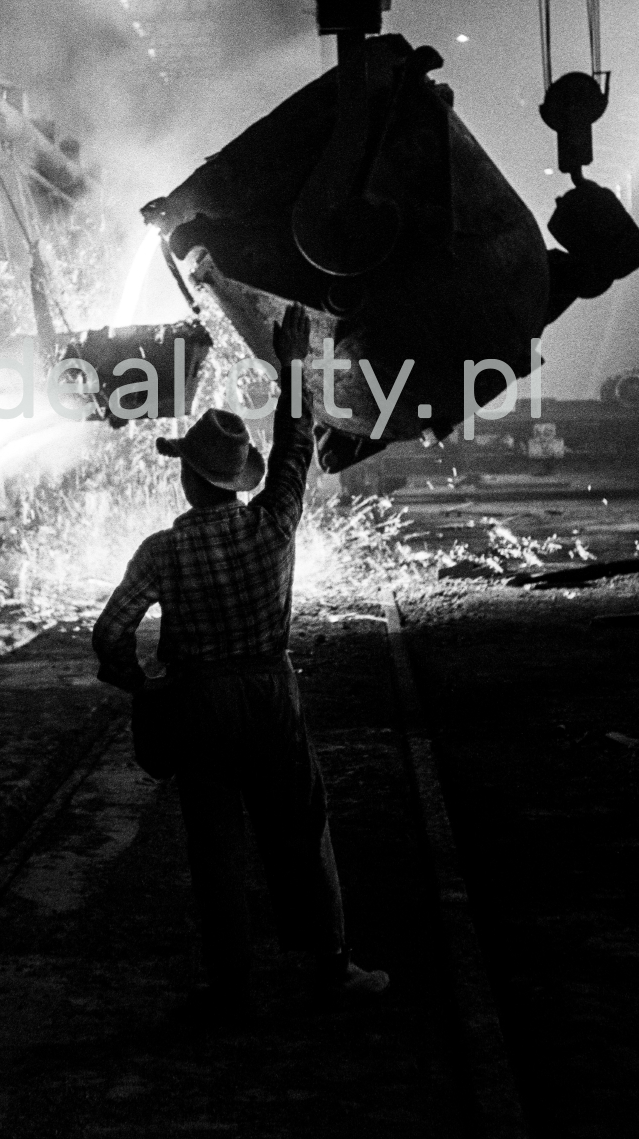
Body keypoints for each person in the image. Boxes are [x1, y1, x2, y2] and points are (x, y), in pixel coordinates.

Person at [92, 301, 388, 1015]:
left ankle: (231, 985)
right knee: (297, 828)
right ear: (236, 480)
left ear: (187, 480)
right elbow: (295, 445)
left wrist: (144, 685)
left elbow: (109, 634)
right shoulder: (272, 524)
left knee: (215, 847)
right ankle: (330, 966)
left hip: (198, 702)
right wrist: (291, 364)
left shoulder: (162, 551)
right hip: (267, 692)